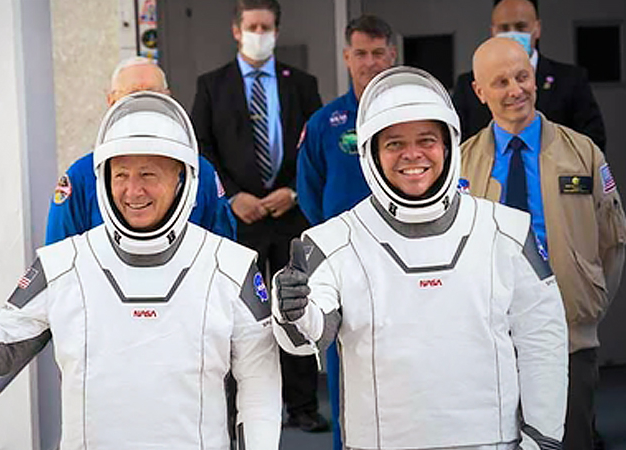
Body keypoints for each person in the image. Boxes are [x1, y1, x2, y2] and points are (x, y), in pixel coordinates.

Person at [0, 92, 282, 450]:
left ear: (182, 178)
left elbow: (260, 381)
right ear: (102, 178)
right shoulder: (63, 264)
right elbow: (3, 345)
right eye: (121, 175)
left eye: (149, 174)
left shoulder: (232, 266)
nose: (133, 191)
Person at [273, 66, 568, 450]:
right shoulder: (334, 240)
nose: (412, 154)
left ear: (448, 144)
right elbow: (307, 335)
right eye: (394, 143)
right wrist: (294, 310)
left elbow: (543, 340)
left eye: (427, 139)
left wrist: (543, 439)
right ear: (371, 153)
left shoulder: (506, 231)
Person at [460, 37, 626, 450]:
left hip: (570, 337)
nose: (516, 90)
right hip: (490, 343)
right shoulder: (462, 162)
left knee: (571, 440)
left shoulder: (581, 152)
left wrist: (590, 304)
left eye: (523, 77)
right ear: (480, 92)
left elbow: (613, 239)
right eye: (501, 82)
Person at [191, 0, 327, 433]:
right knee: (241, 315)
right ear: (237, 30)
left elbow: (314, 146)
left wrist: (293, 190)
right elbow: (202, 149)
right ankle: (235, 411)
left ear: (277, 31)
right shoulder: (212, 85)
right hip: (240, 219)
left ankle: (303, 406)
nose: (259, 33)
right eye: (252, 26)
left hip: (289, 214)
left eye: (266, 26)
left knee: (294, 305)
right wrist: (231, 197)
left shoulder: (301, 84)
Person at [295, 15, 396, 447]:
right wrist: (339, 245)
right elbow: (309, 194)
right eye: (360, 54)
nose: (369, 62)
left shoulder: (411, 117)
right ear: (346, 57)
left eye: (378, 53)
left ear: (392, 54)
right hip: (346, 267)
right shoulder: (325, 123)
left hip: (404, 261)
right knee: (344, 368)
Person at [45, 56, 236, 245]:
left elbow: (224, 248)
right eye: (133, 94)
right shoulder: (81, 176)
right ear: (111, 101)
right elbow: (58, 257)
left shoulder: (199, 171)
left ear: (168, 98)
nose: (144, 105)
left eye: (154, 94)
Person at [452, 0, 606, 152]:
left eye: (520, 27)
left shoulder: (571, 79)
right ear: (493, 31)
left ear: (537, 28)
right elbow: (456, 143)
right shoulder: (467, 85)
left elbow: (592, 141)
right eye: (504, 28)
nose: (512, 34)